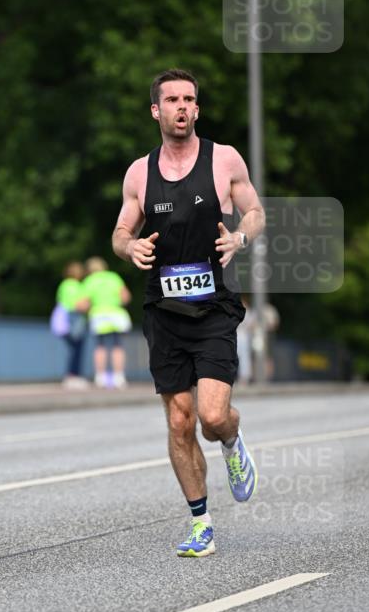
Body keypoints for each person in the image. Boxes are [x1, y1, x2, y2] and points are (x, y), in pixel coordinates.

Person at [112, 69, 266, 557]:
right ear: (156, 110)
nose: (182, 106)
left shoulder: (224, 160)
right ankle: (201, 523)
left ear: (197, 109)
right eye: (172, 100)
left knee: (211, 416)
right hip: (164, 310)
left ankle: (233, 439)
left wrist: (241, 237)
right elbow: (119, 232)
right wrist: (128, 247)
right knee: (179, 422)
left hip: (216, 306)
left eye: (190, 99)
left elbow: (256, 211)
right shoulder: (140, 172)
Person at [79, 257, 132, 389]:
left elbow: (85, 303)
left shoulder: (89, 281)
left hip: (99, 315)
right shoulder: (113, 277)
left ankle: (101, 377)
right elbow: (125, 297)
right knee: (117, 345)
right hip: (116, 314)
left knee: (100, 346)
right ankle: (119, 377)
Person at [54, 261, 89, 389]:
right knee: (77, 348)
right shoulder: (74, 285)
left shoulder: (64, 285)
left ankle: (72, 375)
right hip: (74, 318)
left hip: (66, 318)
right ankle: (73, 375)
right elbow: (78, 305)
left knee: (73, 348)